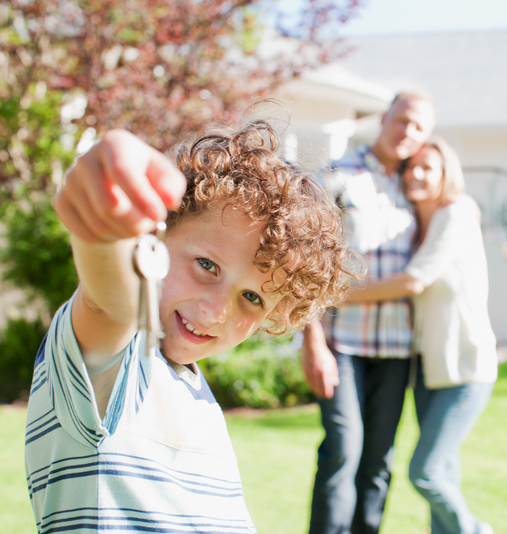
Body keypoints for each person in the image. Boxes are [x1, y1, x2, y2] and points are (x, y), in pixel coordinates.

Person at [25, 118, 355, 533]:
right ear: (155, 238)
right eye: (206, 265)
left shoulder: (187, 385)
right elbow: (108, 303)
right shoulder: (120, 365)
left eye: (252, 298)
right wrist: (105, 214)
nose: (217, 309)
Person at [346, 137, 498, 534]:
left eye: (428, 168)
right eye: (411, 167)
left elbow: (413, 281)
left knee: (426, 472)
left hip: (466, 368)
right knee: (445, 470)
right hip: (430, 369)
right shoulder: (416, 226)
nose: (416, 174)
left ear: (448, 173)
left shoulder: (457, 212)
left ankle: (473, 530)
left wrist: (337, 295)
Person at [303, 92, 436, 534]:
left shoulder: (418, 187)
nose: (408, 133)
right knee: (343, 449)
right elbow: (307, 263)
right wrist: (313, 342)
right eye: (402, 121)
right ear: (384, 119)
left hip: (398, 349)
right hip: (343, 343)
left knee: (379, 461)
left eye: (419, 127)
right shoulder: (338, 176)